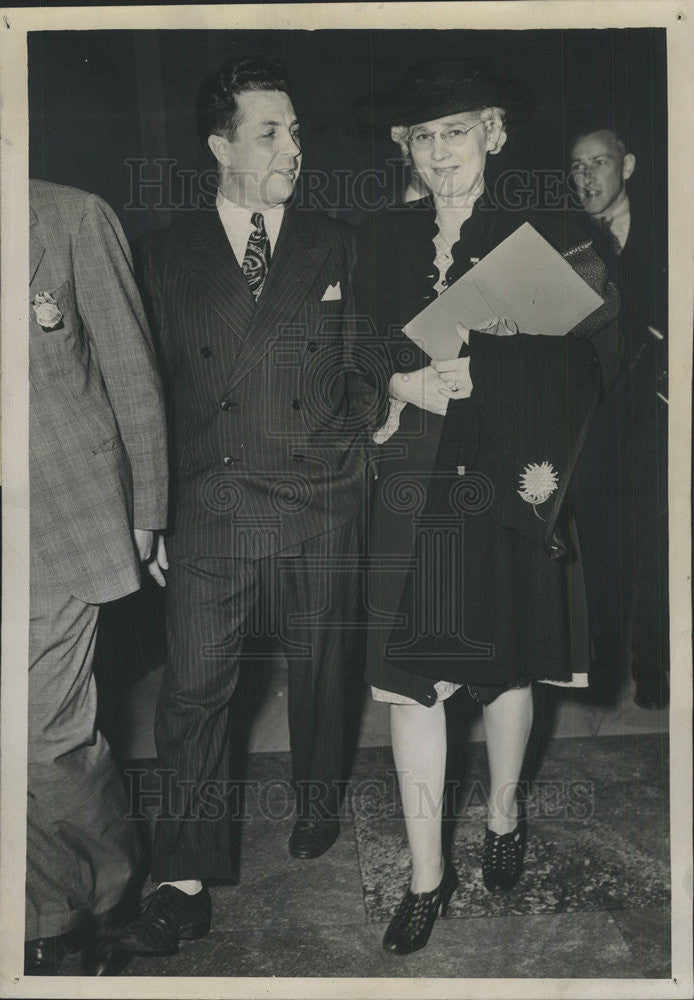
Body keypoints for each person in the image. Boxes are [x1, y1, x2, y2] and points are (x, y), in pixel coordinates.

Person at [353, 60, 621, 955]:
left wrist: (486, 377)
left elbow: (595, 360)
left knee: (504, 667)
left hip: (504, 486)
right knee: (409, 684)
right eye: (423, 138)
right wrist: (394, 381)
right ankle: (428, 875)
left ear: (494, 135)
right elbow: (347, 349)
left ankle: (503, 813)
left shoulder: (548, 232)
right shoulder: (380, 238)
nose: (439, 153)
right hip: (409, 490)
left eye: (456, 131)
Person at [116, 55, 374, 957]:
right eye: (272, 132)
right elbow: (140, 395)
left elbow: (364, 368)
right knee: (192, 693)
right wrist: (145, 509)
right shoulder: (157, 256)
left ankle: (317, 799)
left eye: (297, 131)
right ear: (221, 145)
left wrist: (369, 427)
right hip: (212, 503)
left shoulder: (337, 245)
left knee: (324, 674)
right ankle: (185, 875)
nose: (293, 149)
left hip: (321, 499)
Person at [26, 179, 168, 974]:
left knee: (44, 734)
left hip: (63, 519)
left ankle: (80, 908)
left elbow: (132, 373)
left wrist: (147, 511)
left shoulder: (73, 217)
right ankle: (76, 899)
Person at [569, 126, 668, 709]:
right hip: (595, 424)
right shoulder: (567, 239)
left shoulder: (671, 229)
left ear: (627, 166)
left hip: (656, 419)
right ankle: (601, 674)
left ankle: (655, 670)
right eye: (577, 167)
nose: (586, 178)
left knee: (656, 549)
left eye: (599, 163)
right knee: (598, 551)